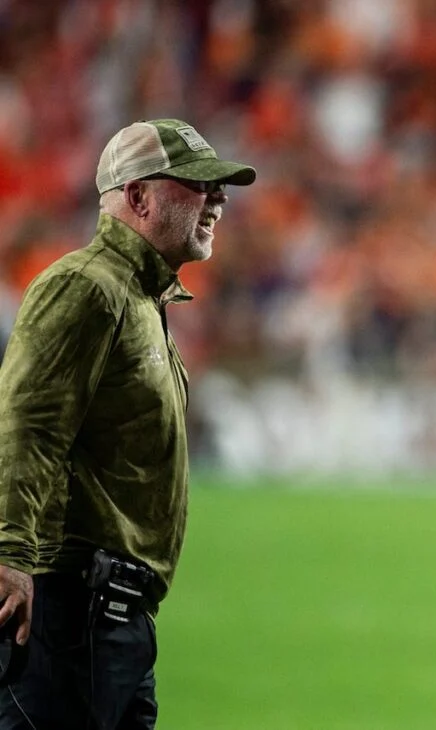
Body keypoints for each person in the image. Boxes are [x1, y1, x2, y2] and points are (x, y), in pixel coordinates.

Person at [0, 118, 255, 729]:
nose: (218, 199)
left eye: (218, 187)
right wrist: (9, 554)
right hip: (70, 614)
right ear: (138, 196)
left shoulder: (137, 297)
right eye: (198, 184)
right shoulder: (85, 287)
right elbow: (27, 428)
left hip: (109, 617)